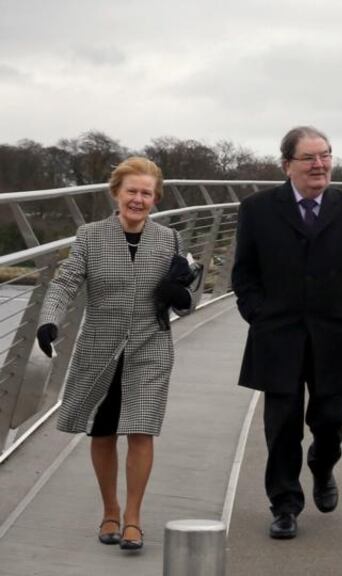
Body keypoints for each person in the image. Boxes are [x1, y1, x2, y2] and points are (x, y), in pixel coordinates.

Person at [231, 126, 342, 540]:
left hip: (338, 334)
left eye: (326, 155)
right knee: (281, 425)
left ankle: (323, 463)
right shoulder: (258, 209)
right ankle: (284, 504)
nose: (320, 165)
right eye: (309, 158)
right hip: (278, 334)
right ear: (287, 165)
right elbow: (244, 274)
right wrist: (258, 315)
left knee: (332, 419)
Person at [36, 157, 193, 551]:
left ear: (155, 199)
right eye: (131, 192)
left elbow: (189, 289)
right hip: (99, 347)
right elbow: (64, 282)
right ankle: (110, 510)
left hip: (151, 344)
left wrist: (182, 295)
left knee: (142, 429)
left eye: (146, 193)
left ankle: (134, 520)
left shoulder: (169, 239)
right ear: (116, 193)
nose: (138, 200)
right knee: (103, 430)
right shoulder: (90, 235)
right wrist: (49, 321)